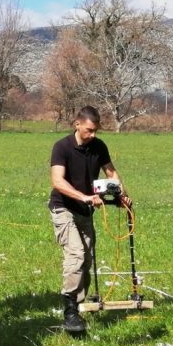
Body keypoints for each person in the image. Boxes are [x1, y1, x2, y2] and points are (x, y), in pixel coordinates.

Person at [48, 106, 130, 333]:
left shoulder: (99, 146)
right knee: (76, 253)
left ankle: (79, 306)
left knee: (87, 259)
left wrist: (121, 194)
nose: (93, 135)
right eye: (89, 130)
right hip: (63, 208)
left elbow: (111, 173)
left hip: (86, 212)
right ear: (77, 124)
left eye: (95, 131)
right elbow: (57, 181)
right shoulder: (62, 147)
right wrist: (83, 196)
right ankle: (70, 311)